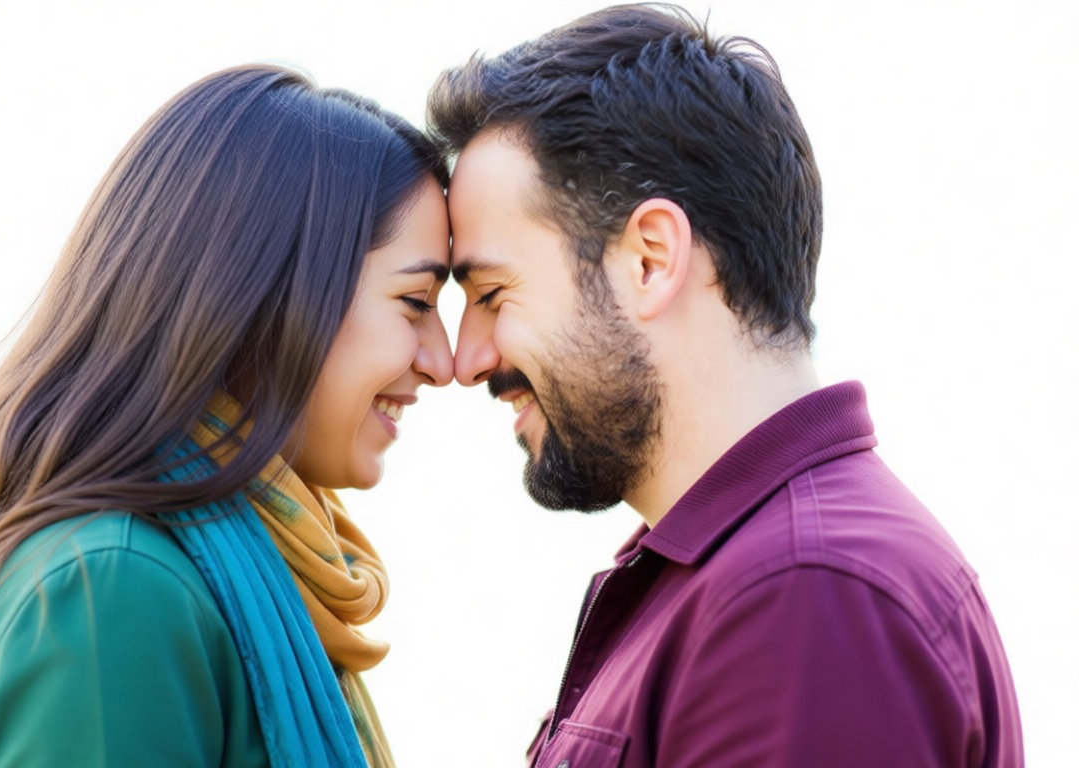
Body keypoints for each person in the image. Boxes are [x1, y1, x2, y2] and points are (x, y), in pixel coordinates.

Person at [427, 4, 1022, 766]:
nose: (465, 358)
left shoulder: (806, 597)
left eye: (492, 294)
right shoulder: (741, 577)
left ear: (650, 259)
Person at [0, 65, 453, 767]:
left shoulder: (207, 578)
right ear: (269, 297)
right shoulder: (111, 595)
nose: (444, 360)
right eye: (416, 302)